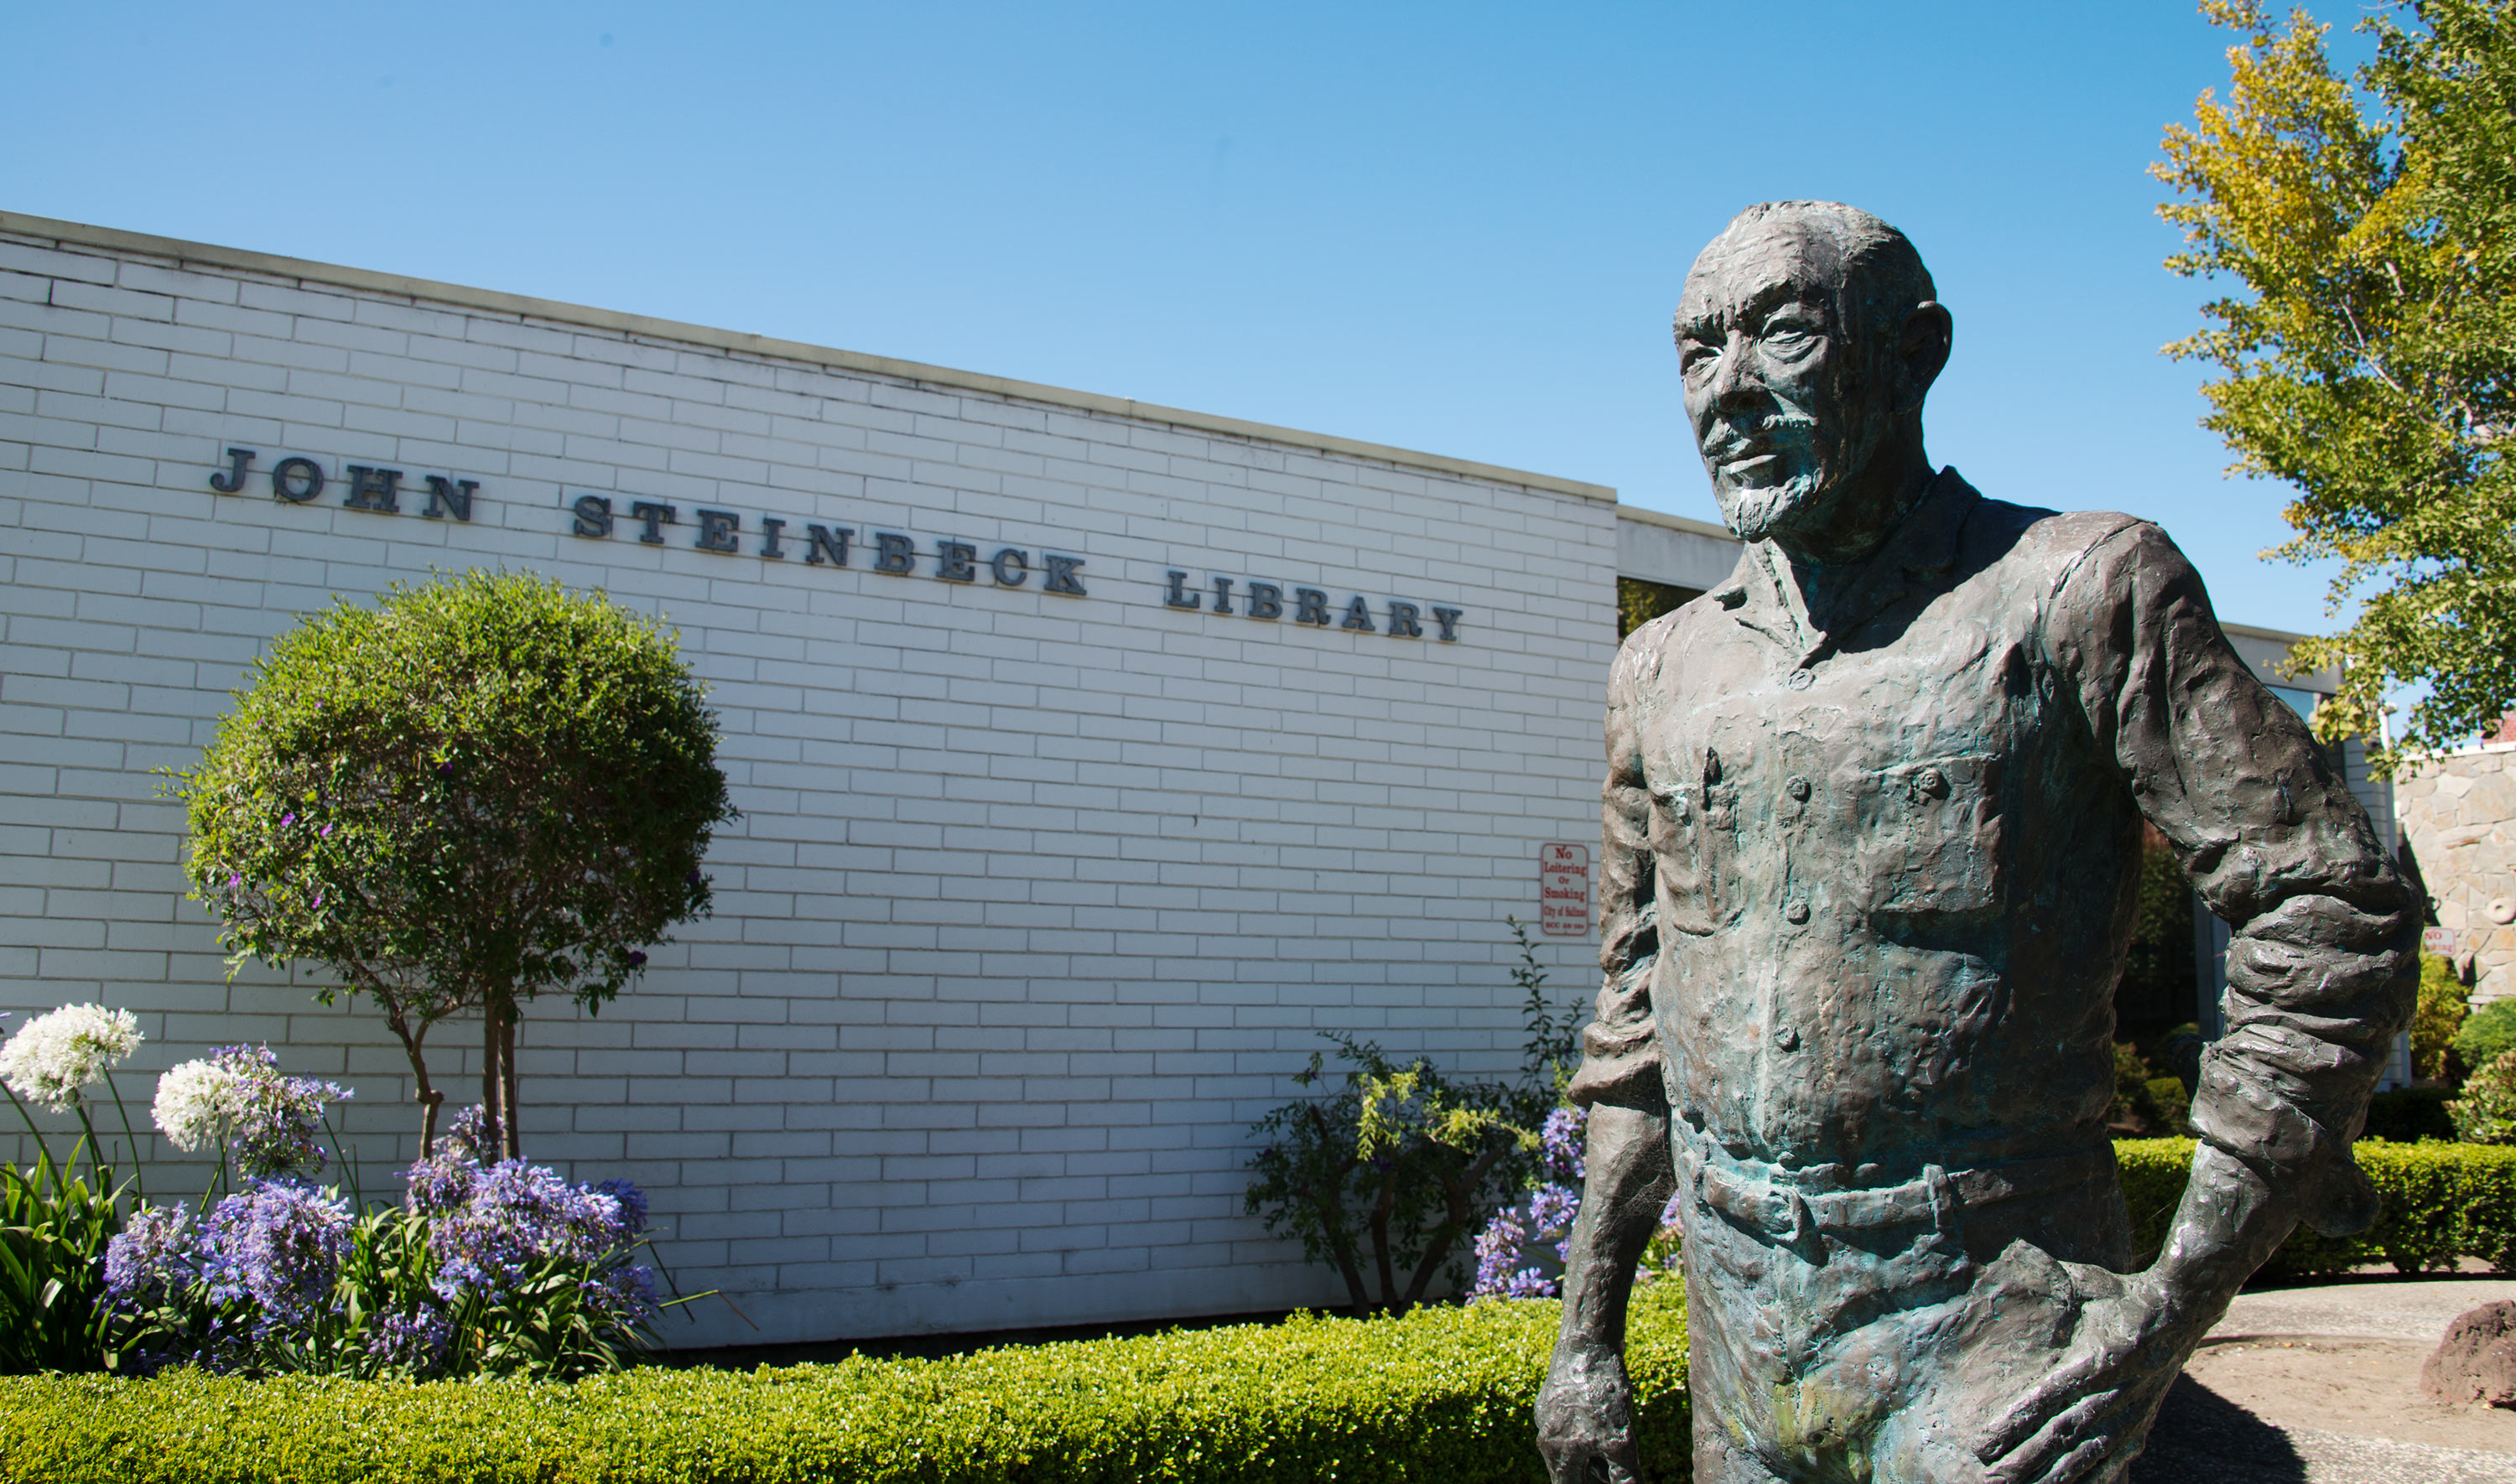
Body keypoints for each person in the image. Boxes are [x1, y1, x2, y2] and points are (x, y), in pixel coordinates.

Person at [1534, 201, 2415, 1484]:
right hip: (1737, 1348)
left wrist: (2171, 1298)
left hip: (2000, 1337)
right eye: (1692, 353)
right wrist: (1586, 1340)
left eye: (1780, 334)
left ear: (1914, 352)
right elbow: (1632, 1021)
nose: (1724, 392)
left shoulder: (2080, 589)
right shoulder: (1661, 668)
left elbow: (2332, 901)